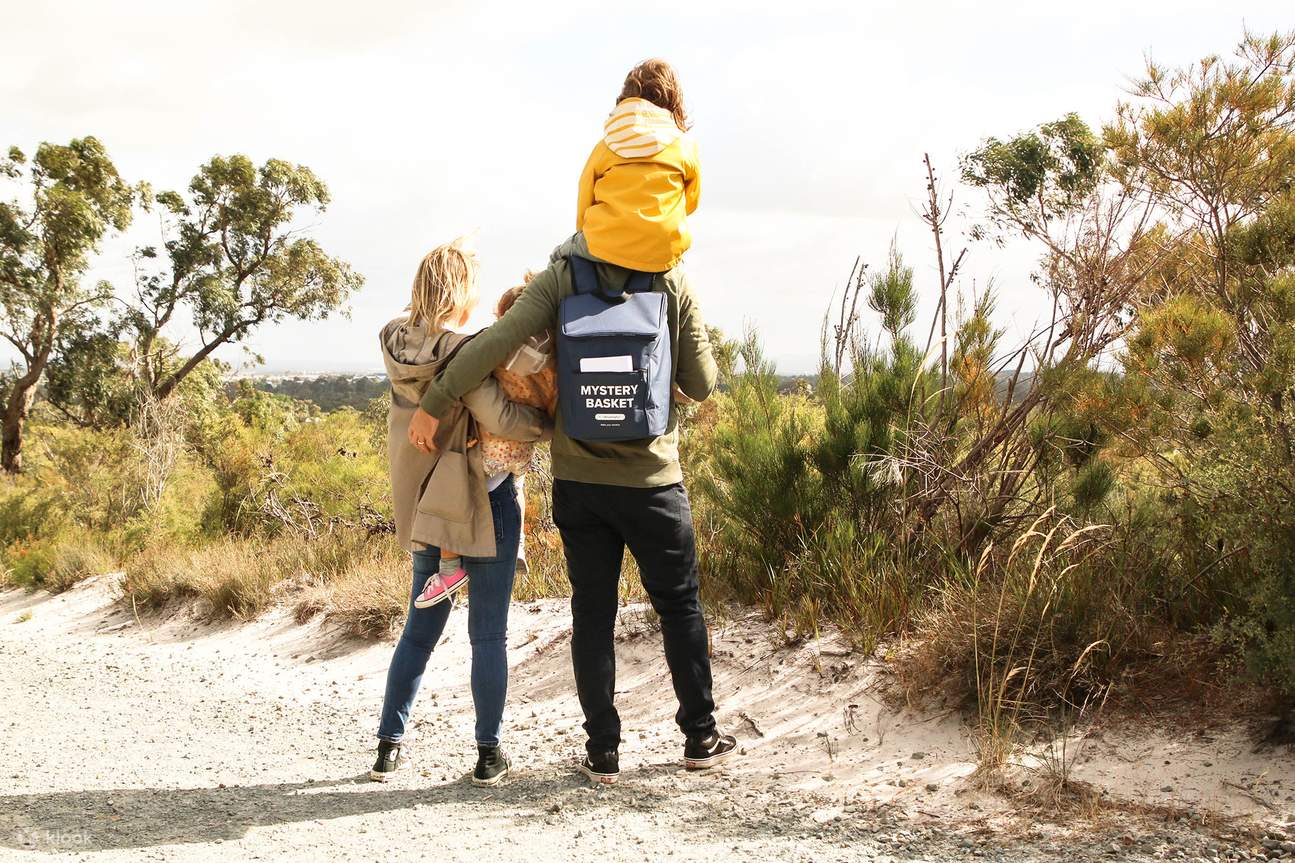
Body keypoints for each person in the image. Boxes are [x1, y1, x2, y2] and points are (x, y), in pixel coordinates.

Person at [405, 58, 734, 787]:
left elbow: (489, 345)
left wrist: (435, 401)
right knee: (678, 605)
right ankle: (698, 737)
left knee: (592, 613)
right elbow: (701, 384)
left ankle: (603, 752)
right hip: (653, 479)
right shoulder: (672, 274)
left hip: (579, 480)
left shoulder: (564, 271)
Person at [372, 237, 551, 787]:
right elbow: (501, 416)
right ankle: (488, 754)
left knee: (419, 632)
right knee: (488, 635)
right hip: (483, 498)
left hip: (425, 502)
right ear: (462, 291)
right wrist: (550, 429)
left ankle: (387, 747)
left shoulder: (395, 342)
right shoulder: (463, 350)